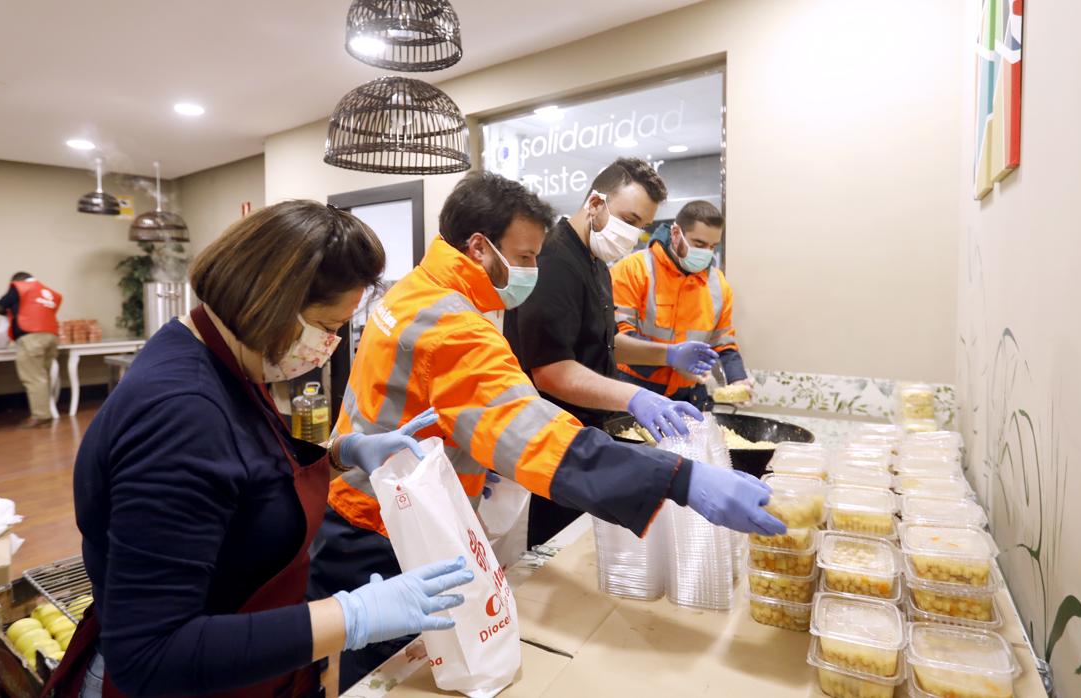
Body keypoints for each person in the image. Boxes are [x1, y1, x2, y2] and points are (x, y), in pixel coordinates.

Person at [311, 172, 785, 691]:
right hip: (383, 527)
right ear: (479, 247)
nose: (533, 269)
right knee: (382, 675)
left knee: (376, 662)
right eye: (527, 255)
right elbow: (535, 435)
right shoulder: (450, 323)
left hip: (360, 502)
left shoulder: (421, 289)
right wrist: (681, 479)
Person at [44, 202, 474, 698]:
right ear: (270, 304)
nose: (331, 343)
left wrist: (340, 456)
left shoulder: (217, 352)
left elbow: (240, 481)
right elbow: (149, 654)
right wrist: (351, 615)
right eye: (329, 326)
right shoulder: (180, 415)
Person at [503, 158, 718, 544]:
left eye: (641, 225)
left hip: (585, 435)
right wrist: (635, 396)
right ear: (596, 204)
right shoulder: (553, 261)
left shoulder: (596, 261)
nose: (634, 234)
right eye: (629, 219)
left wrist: (667, 355)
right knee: (550, 549)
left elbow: (602, 341)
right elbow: (552, 371)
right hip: (551, 441)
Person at [612, 200, 750, 409]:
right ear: (676, 234)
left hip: (691, 396)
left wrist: (737, 379)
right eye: (699, 244)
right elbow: (617, 338)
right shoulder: (633, 270)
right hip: (636, 390)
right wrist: (671, 359)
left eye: (713, 246)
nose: (706, 253)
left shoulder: (719, 285)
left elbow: (724, 342)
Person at [0, 272, 63, 427]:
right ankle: (45, 413)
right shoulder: (51, 293)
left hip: (31, 338)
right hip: (51, 336)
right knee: (43, 376)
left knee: (33, 377)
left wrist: (8, 311)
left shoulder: (19, 287)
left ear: (17, 281)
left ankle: (41, 416)